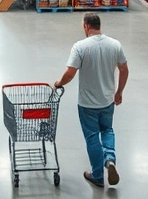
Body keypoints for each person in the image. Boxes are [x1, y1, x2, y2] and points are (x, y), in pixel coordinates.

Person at [54, 13, 129, 189]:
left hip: (87, 104)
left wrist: (58, 83)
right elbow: (124, 70)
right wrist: (119, 92)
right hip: (107, 101)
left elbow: (70, 73)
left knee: (92, 137)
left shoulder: (80, 47)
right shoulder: (115, 45)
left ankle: (97, 175)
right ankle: (109, 159)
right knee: (107, 130)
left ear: (86, 26)